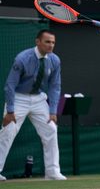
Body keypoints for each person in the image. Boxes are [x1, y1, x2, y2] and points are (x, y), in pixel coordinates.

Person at [0, 30, 66, 181]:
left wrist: (53, 110)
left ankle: (52, 172)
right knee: (8, 132)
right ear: (38, 42)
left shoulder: (55, 60)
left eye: (53, 42)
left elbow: (55, 86)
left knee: (51, 129)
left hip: (39, 99)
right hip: (18, 98)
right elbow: (10, 85)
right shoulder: (23, 58)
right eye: (47, 42)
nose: (51, 45)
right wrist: (10, 110)